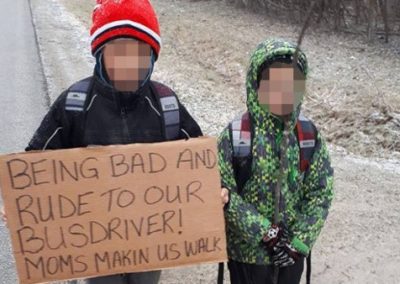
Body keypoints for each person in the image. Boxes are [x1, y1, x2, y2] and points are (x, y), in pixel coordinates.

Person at [2, 0, 203, 283]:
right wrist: (22, 200)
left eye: (139, 53)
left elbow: (200, 160)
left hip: (152, 243)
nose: (129, 63)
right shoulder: (75, 104)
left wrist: (216, 190)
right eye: (118, 52)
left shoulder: (166, 104)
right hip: (96, 247)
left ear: (152, 56)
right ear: (100, 53)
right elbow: (37, 163)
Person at [218, 38, 334, 284]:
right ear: (257, 84)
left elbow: (320, 193)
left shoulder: (308, 135)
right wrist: (265, 233)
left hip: (291, 258)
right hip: (247, 258)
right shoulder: (236, 135)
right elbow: (223, 194)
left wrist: (298, 243)